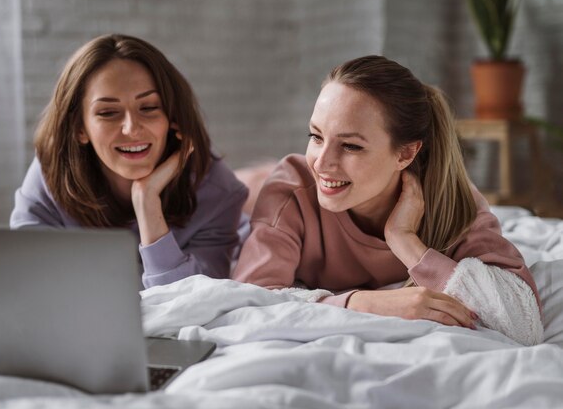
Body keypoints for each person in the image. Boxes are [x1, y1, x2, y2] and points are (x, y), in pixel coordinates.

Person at [232, 55, 543, 345]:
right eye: (316, 137)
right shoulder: (291, 192)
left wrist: (406, 242)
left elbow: (524, 327)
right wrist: (363, 303)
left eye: (351, 146)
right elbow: (247, 304)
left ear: (406, 153)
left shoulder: (452, 203)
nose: (321, 163)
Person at [11, 34, 248, 288]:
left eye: (148, 108)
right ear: (80, 129)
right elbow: (26, 280)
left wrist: (147, 202)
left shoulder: (219, 193)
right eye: (108, 113)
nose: (132, 129)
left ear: (172, 117)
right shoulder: (52, 173)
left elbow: (190, 305)